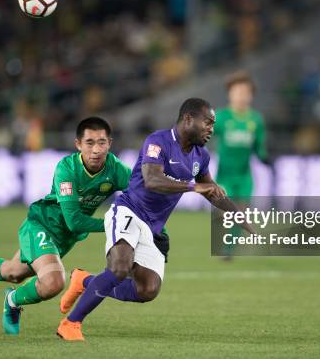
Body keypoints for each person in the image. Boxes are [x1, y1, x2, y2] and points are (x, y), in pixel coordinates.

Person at [56, 98, 255, 341]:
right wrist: (194, 187)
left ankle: (85, 281)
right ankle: (71, 323)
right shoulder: (158, 141)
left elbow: (211, 191)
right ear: (188, 119)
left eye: (213, 124)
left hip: (153, 228)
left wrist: (242, 219)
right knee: (119, 267)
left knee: (147, 289)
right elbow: (152, 180)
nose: (211, 129)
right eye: (208, 123)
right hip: (129, 211)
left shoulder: (201, 156)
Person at [0, 117, 131, 335]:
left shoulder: (115, 168)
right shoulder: (67, 169)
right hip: (42, 225)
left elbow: (143, 195)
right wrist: (116, 224)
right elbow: (74, 221)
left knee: (14, 272)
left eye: (101, 142)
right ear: (78, 144)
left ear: (110, 143)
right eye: (89, 143)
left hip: (65, 239)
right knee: (53, 282)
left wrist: (154, 227)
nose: (96, 150)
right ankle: (12, 301)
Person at [214, 71, 269, 259]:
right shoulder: (221, 117)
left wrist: (264, 157)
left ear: (251, 95)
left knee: (240, 212)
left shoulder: (255, 120)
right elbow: (204, 137)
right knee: (227, 211)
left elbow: (259, 146)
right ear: (230, 94)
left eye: (245, 92)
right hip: (224, 175)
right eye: (237, 92)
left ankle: (229, 250)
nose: (241, 96)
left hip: (245, 175)